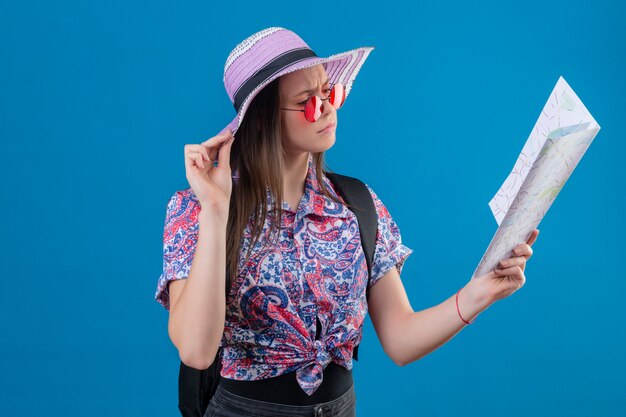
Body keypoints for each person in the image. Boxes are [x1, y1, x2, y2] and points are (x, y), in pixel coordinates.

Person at [155, 27, 540, 417]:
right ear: (260, 120)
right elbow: (196, 351)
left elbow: (400, 338)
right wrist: (217, 210)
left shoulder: (356, 204)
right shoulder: (196, 209)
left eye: (330, 94)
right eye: (307, 102)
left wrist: (480, 293)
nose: (327, 109)